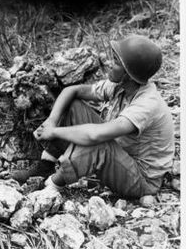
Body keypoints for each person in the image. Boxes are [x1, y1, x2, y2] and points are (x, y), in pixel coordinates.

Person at [9, 35, 174, 199]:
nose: (109, 64)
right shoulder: (123, 86)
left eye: (116, 62)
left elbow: (95, 135)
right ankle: (46, 166)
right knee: (73, 105)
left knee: (96, 142)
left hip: (141, 180)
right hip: (123, 157)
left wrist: (54, 132)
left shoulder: (146, 104)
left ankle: (50, 187)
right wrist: (51, 121)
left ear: (129, 75)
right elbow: (72, 91)